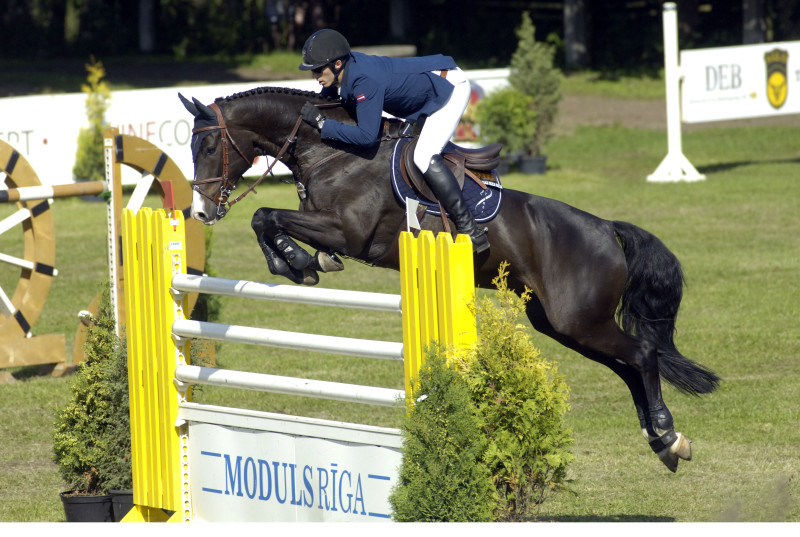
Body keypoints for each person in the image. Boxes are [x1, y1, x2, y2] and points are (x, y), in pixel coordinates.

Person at [297, 29, 489, 254]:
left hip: (447, 89)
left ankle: (470, 228)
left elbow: (367, 137)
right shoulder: (345, 70)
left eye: (318, 70)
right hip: (429, 84)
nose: (315, 76)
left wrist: (323, 125)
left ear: (338, 64)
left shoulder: (363, 80)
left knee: (423, 155)